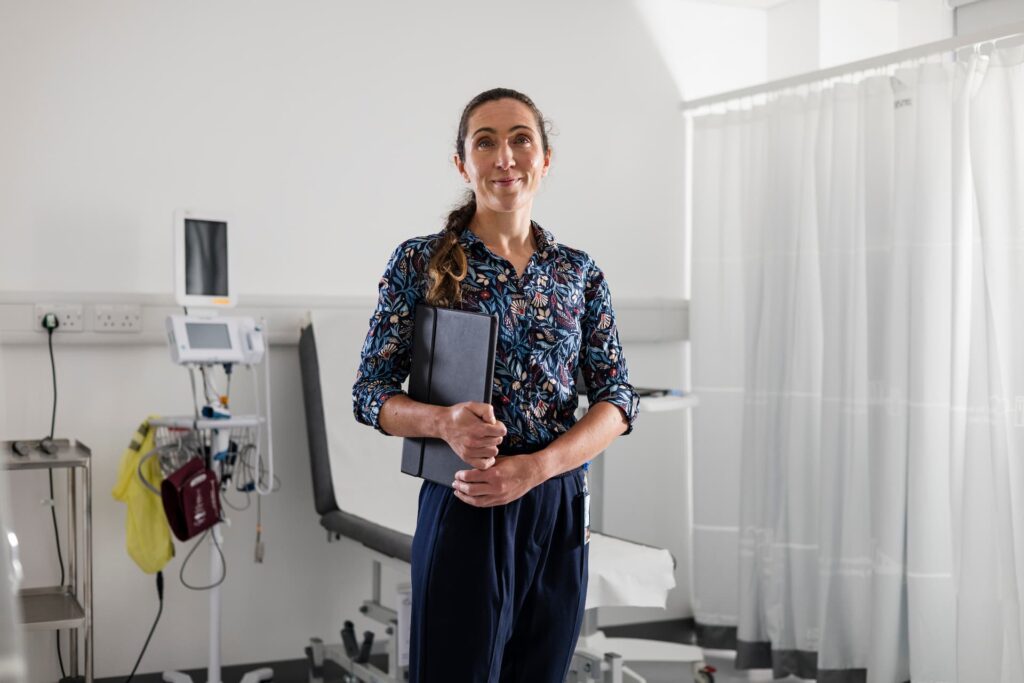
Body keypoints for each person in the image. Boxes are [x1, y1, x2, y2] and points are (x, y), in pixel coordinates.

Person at [352, 87, 639, 683]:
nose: (504, 156)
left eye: (520, 139)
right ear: (462, 163)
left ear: (544, 158)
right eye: (485, 142)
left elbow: (617, 400)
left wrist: (535, 470)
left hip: (557, 505)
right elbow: (370, 394)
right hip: (466, 500)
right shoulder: (419, 263)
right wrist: (441, 422)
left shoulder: (578, 273)